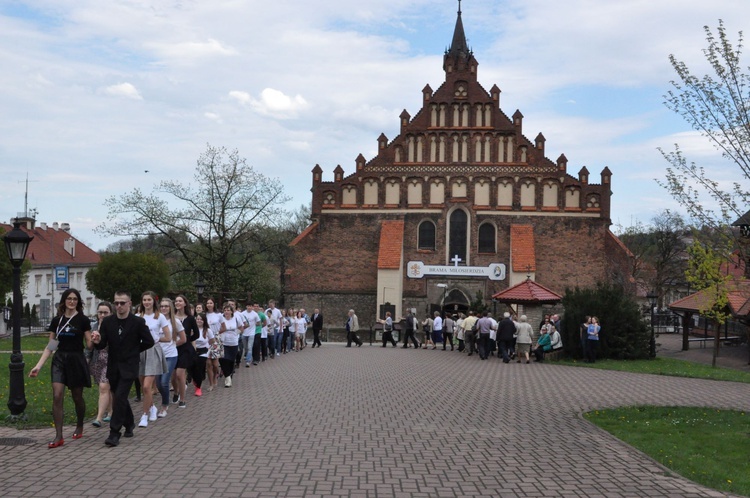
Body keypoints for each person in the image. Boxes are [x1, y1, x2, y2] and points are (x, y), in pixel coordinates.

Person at [29, 288, 93, 448]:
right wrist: (38, 366)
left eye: (75, 299)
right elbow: (51, 345)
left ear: (78, 302)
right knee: (57, 395)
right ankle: (59, 436)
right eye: (69, 299)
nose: (72, 302)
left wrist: (95, 339)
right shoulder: (57, 321)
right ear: (64, 301)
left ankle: (79, 424)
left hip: (76, 359)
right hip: (59, 360)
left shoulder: (83, 320)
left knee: (77, 396)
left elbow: (89, 344)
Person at [91, 290, 155, 447]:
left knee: (119, 396)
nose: (119, 306)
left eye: (122, 303)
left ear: (129, 304)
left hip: (129, 366)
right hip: (113, 365)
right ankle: (130, 422)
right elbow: (102, 345)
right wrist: (97, 340)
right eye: (116, 303)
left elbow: (149, 341)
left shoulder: (137, 322)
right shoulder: (108, 322)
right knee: (119, 396)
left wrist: (134, 350)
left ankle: (114, 433)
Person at [136, 291, 170, 428]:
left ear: (153, 301)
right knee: (143, 385)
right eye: (144, 300)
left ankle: (144, 415)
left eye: (149, 299)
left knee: (146, 386)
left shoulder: (160, 317)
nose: (146, 302)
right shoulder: (138, 317)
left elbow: (168, 337)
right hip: (139, 351)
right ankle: (152, 407)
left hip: (153, 351)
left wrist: (154, 339)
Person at [155, 298, 185, 417]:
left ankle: (164, 406)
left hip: (171, 355)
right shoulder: (155, 320)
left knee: (164, 381)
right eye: (162, 306)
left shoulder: (175, 322)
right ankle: (166, 398)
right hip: (157, 354)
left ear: (170, 308)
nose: (164, 308)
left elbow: (183, 339)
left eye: (166, 306)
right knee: (158, 383)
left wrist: (172, 344)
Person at [90, 301, 114, 428]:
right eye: (100, 312)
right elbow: (89, 347)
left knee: (104, 387)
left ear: (110, 313)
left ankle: (98, 418)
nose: (102, 315)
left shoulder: (113, 326)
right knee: (104, 388)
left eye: (105, 312)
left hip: (110, 360)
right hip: (96, 360)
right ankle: (110, 411)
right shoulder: (94, 326)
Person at [173, 295, 198, 407]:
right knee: (173, 376)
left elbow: (196, 333)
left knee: (180, 373)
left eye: (180, 301)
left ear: (184, 303)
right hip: (173, 348)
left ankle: (182, 399)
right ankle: (176, 392)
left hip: (185, 349)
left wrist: (187, 340)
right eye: (176, 301)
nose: (177, 303)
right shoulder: (171, 318)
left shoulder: (190, 318)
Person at [191, 312, 213, 396]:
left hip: (203, 351)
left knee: (199, 368)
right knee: (192, 368)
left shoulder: (207, 330)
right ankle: (195, 379)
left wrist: (207, 346)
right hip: (193, 351)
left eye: (201, 319)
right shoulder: (192, 330)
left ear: (204, 321)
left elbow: (212, 340)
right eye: (197, 319)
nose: (199, 321)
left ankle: (198, 388)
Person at [220, 303, 240, 386]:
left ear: (232, 312)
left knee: (231, 360)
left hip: (233, 342)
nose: (226, 312)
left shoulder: (236, 318)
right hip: (223, 342)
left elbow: (242, 327)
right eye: (225, 310)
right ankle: (227, 378)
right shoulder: (221, 319)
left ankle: (229, 374)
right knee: (223, 359)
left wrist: (236, 333)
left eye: (228, 310)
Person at [242, 302, 259, 366]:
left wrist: (253, 325)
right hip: (244, 333)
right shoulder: (242, 313)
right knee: (245, 347)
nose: (249, 307)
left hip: (252, 333)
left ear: (252, 307)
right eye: (248, 306)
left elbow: (259, 322)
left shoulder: (255, 314)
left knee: (249, 347)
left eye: (250, 306)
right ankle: (247, 354)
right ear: (246, 306)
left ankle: (248, 361)